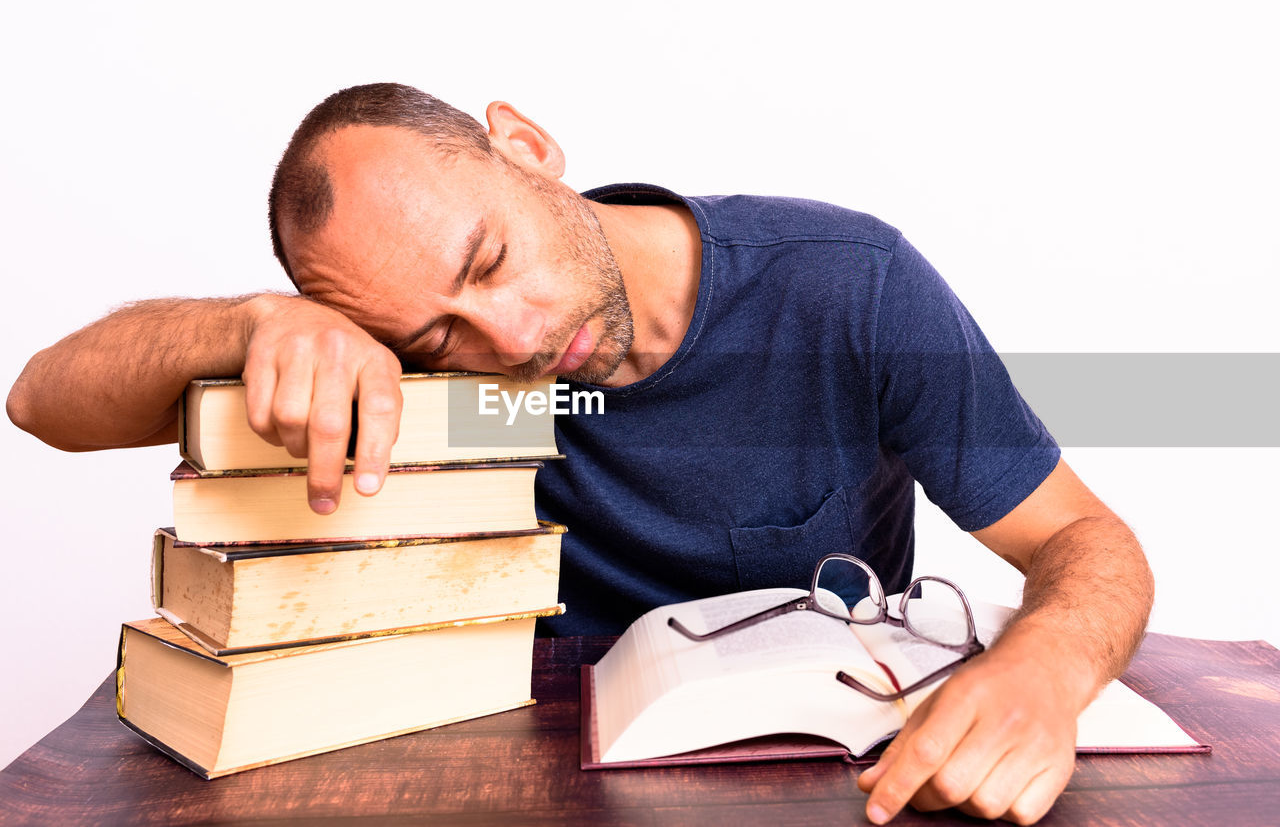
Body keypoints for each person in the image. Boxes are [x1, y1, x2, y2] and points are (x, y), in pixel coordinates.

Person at [8, 83, 1153, 825]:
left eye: (490, 259)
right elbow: (41, 399)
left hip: (832, 784)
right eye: (434, 334)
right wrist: (254, 323)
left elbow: (1083, 541)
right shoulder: (413, 349)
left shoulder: (848, 285)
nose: (506, 341)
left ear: (528, 148)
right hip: (530, 785)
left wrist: (1044, 672)